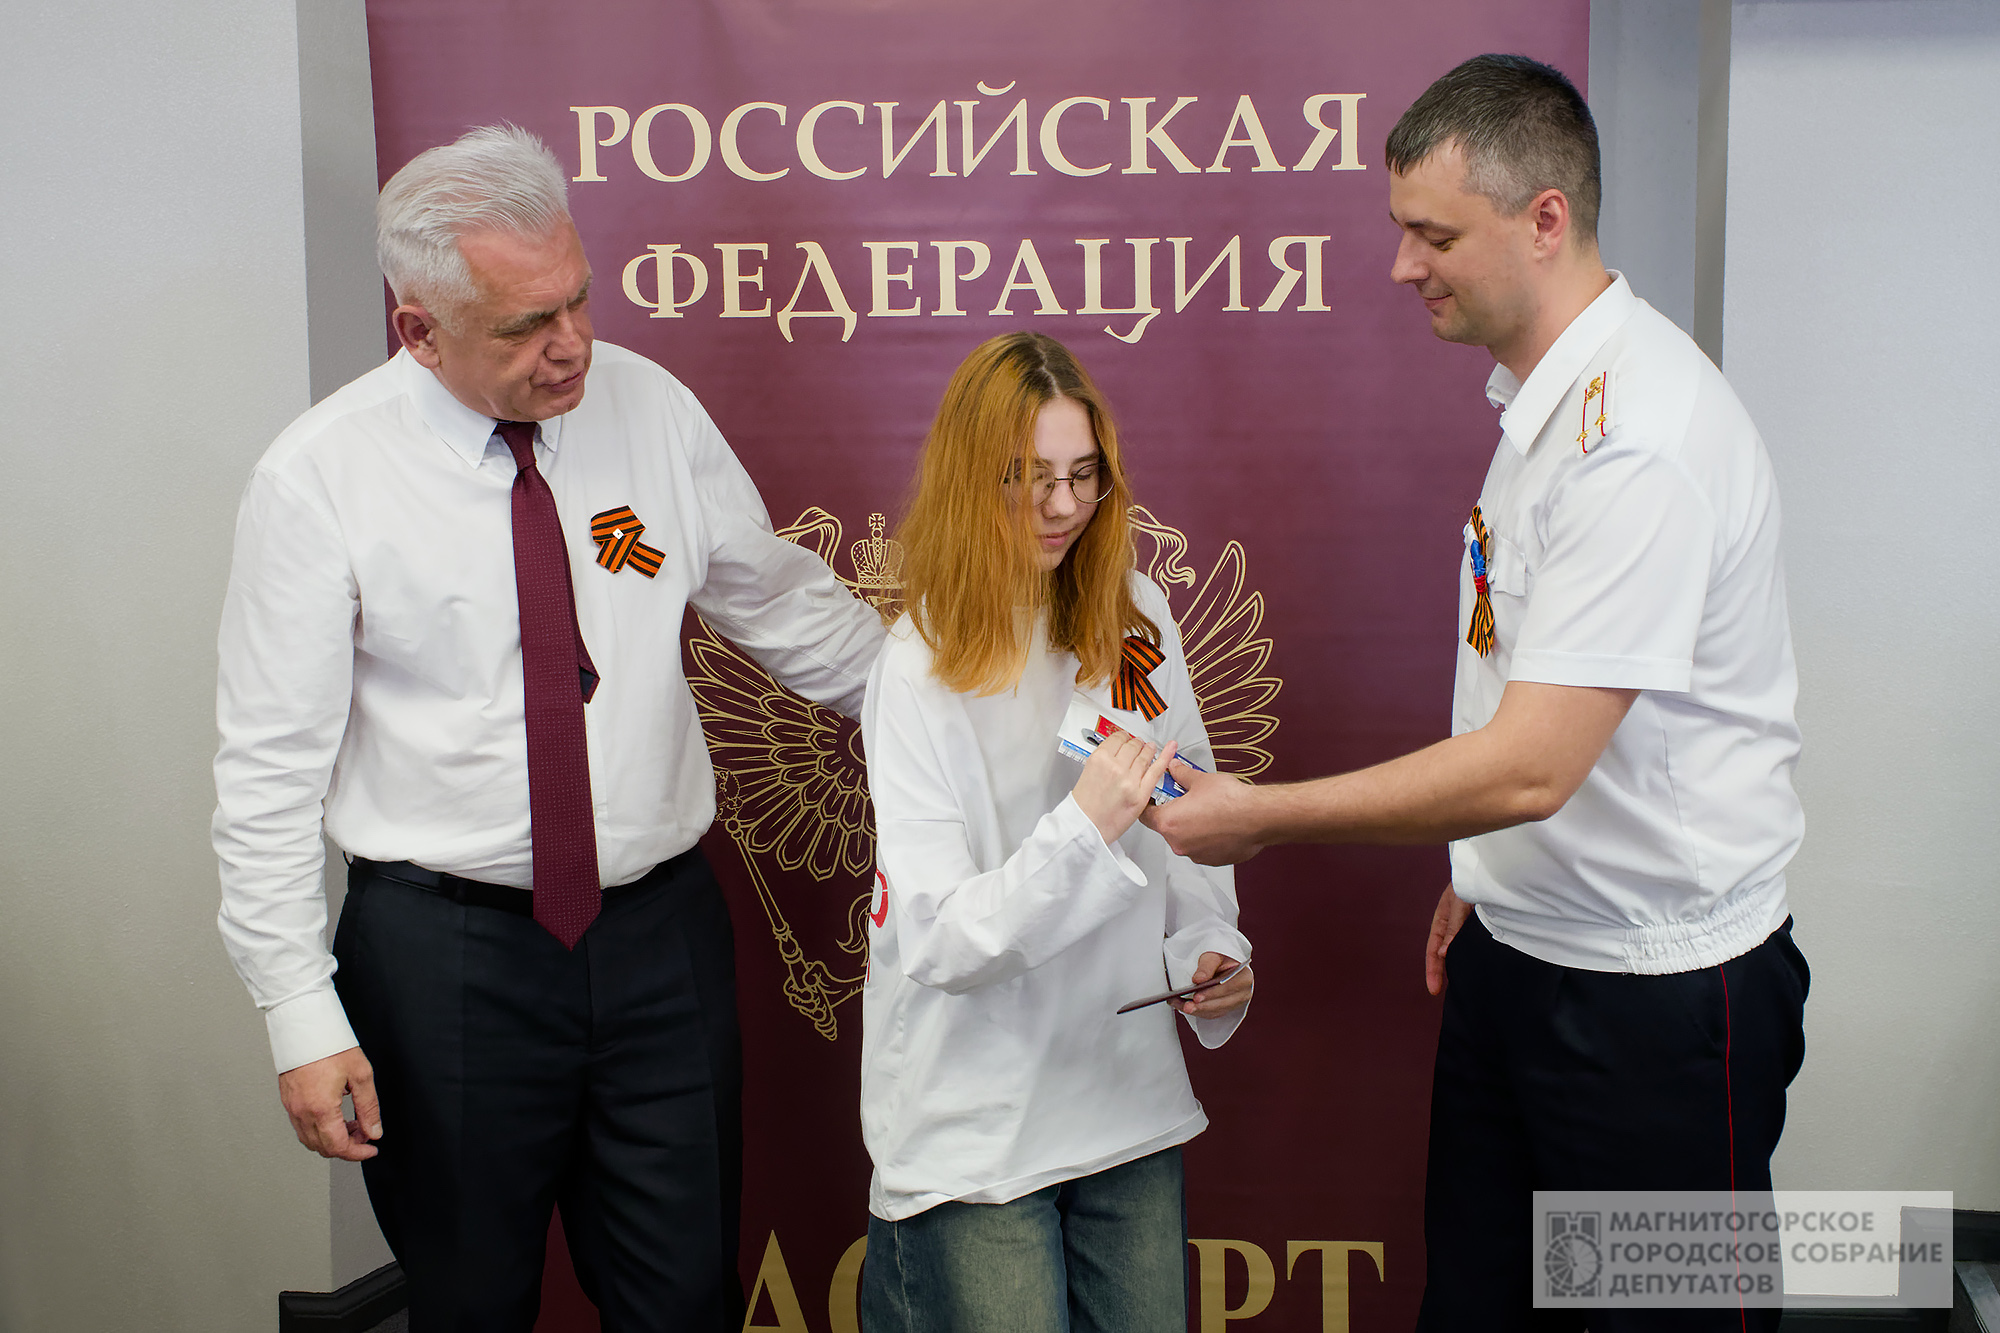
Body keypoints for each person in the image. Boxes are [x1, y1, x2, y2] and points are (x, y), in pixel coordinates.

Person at [1145, 55, 1810, 1330]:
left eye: (1434, 235)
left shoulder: (1637, 439)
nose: (1403, 266)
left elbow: (1532, 764)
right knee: (1477, 1306)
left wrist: (1261, 814)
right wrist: (1491, 873)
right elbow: (1538, 708)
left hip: (1649, 1006)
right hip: (1523, 954)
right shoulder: (1541, 408)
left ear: (1543, 219)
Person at [212, 125, 886, 1331]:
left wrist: (980, 714)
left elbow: (788, 612)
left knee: (684, 1299)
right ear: (420, 329)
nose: (571, 342)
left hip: (658, 941)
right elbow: (266, 777)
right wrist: (299, 1015)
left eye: (576, 298)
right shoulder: (320, 478)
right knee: (470, 1303)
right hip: (446, 960)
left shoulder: (650, 407)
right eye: (526, 324)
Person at [855, 332, 1254, 1332]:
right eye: (1030, 478)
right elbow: (939, 938)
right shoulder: (917, 666)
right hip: (977, 1132)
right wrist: (1084, 825)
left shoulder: (1137, 619)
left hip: (1125, 1099)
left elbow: (1185, 818)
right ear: (969, 478)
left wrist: (1210, 945)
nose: (1063, 506)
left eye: (1083, 475)